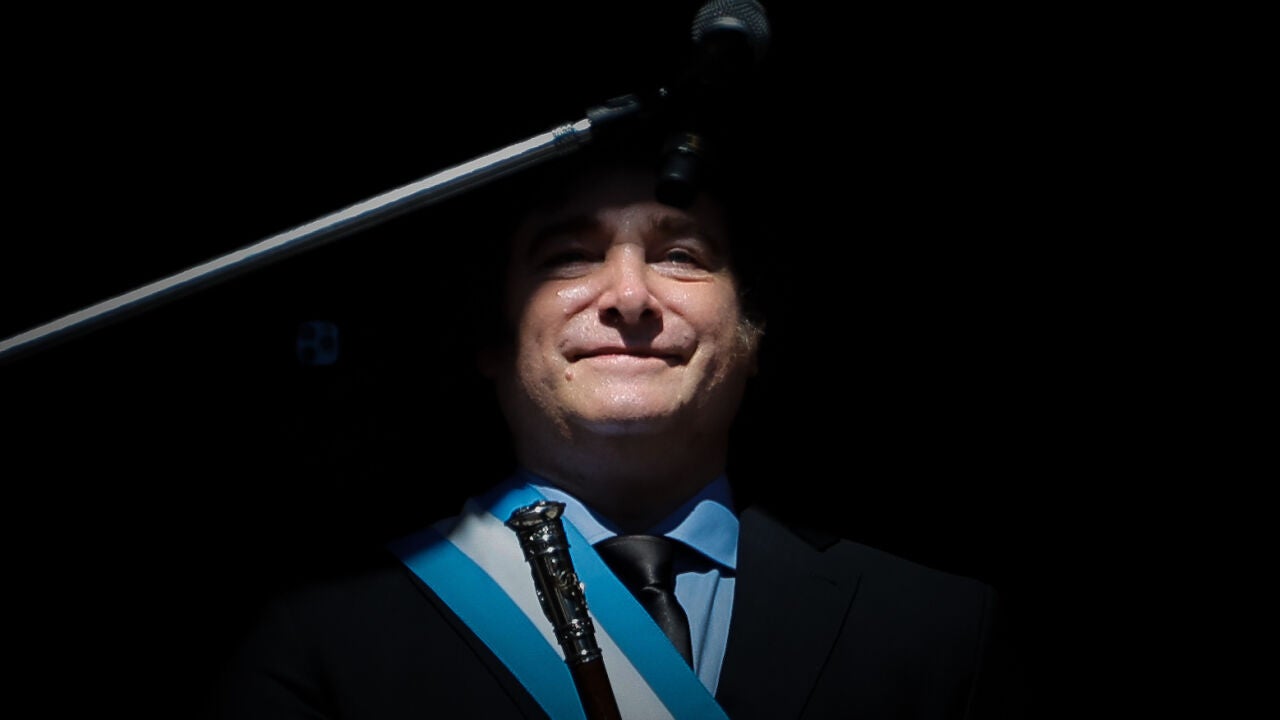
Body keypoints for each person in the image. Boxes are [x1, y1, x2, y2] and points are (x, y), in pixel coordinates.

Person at [207, 122, 1028, 719]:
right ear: (493, 335)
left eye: (681, 256)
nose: (630, 298)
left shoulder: (937, 629)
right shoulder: (326, 640)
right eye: (569, 256)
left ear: (752, 334)